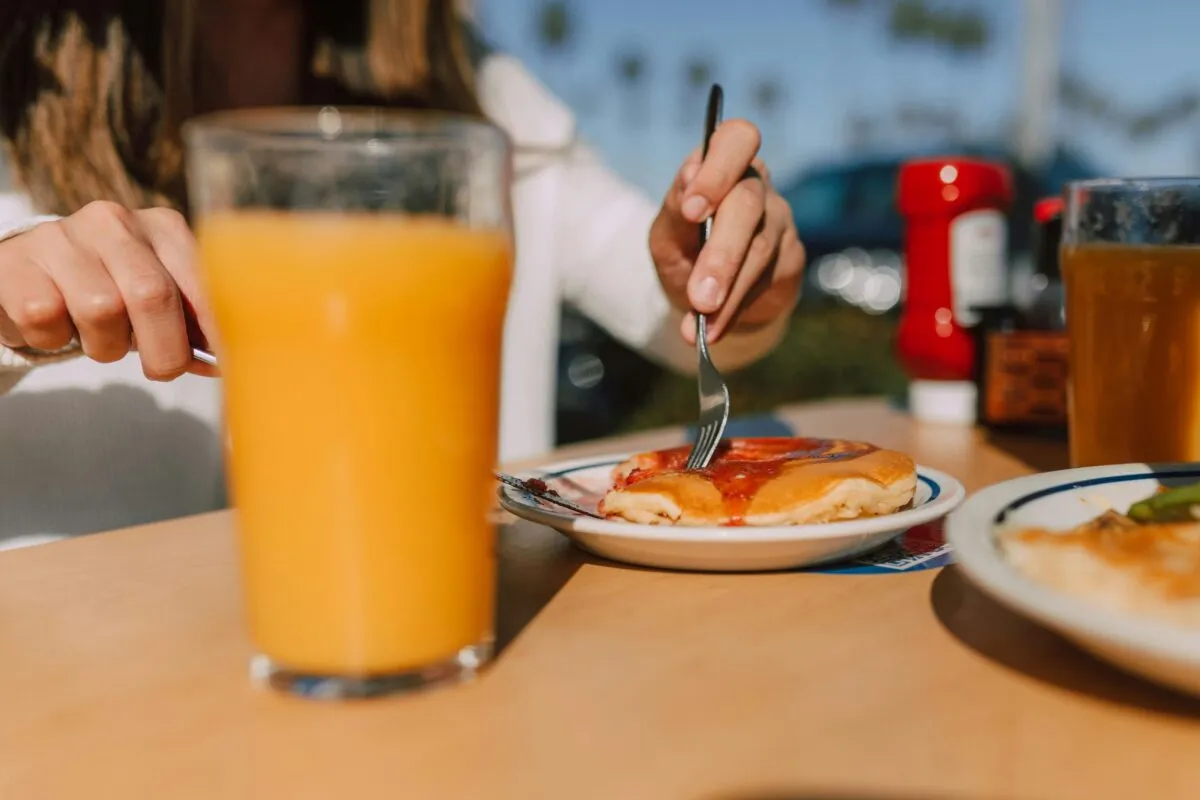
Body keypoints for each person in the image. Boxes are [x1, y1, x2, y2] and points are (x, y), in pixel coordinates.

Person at [0, 0, 804, 546]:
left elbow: (657, 295)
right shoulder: (18, 75)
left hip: (443, 659)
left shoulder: (470, 88)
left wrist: (724, 274)